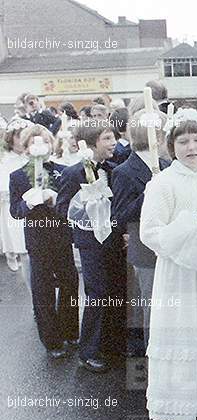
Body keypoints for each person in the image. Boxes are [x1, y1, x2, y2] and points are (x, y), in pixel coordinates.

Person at [140, 113, 197, 420]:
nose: (191, 147)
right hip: (178, 272)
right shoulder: (163, 183)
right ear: (171, 146)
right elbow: (150, 231)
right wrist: (184, 235)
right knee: (183, 334)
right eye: (183, 141)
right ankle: (181, 412)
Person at [56, 120, 126, 373]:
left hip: (113, 239)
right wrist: (85, 206)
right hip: (89, 243)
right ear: (92, 143)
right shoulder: (73, 172)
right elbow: (62, 208)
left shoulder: (114, 169)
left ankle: (111, 343)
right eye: (107, 138)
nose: (113, 143)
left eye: (113, 138)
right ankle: (88, 351)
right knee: (96, 294)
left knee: (116, 290)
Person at [9, 124, 79, 359]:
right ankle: (51, 340)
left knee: (70, 282)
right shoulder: (17, 176)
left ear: (52, 144)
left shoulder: (63, 171)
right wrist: (28, 204)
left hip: (60, 235)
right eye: (33, 143)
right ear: (26, 147)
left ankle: (70, 329)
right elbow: (15, 211)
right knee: (43, 290)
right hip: (37, 239)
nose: (39, 147)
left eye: (45, 142)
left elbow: (71, 206)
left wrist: (55, 200)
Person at [111, 109, 170, 357]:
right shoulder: (124, 172)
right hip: (145, 250)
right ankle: (151, 357)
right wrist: (150, 191)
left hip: (171, 245)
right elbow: (120, 216)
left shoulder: (168, 164)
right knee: (151, 306)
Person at [1, 119, 31, 272]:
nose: (23, 139)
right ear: (11, 138)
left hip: (33, 209)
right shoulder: (5, 160)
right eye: (19, 136)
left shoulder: (32, 157)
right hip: (13, 207)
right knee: (21, 246)